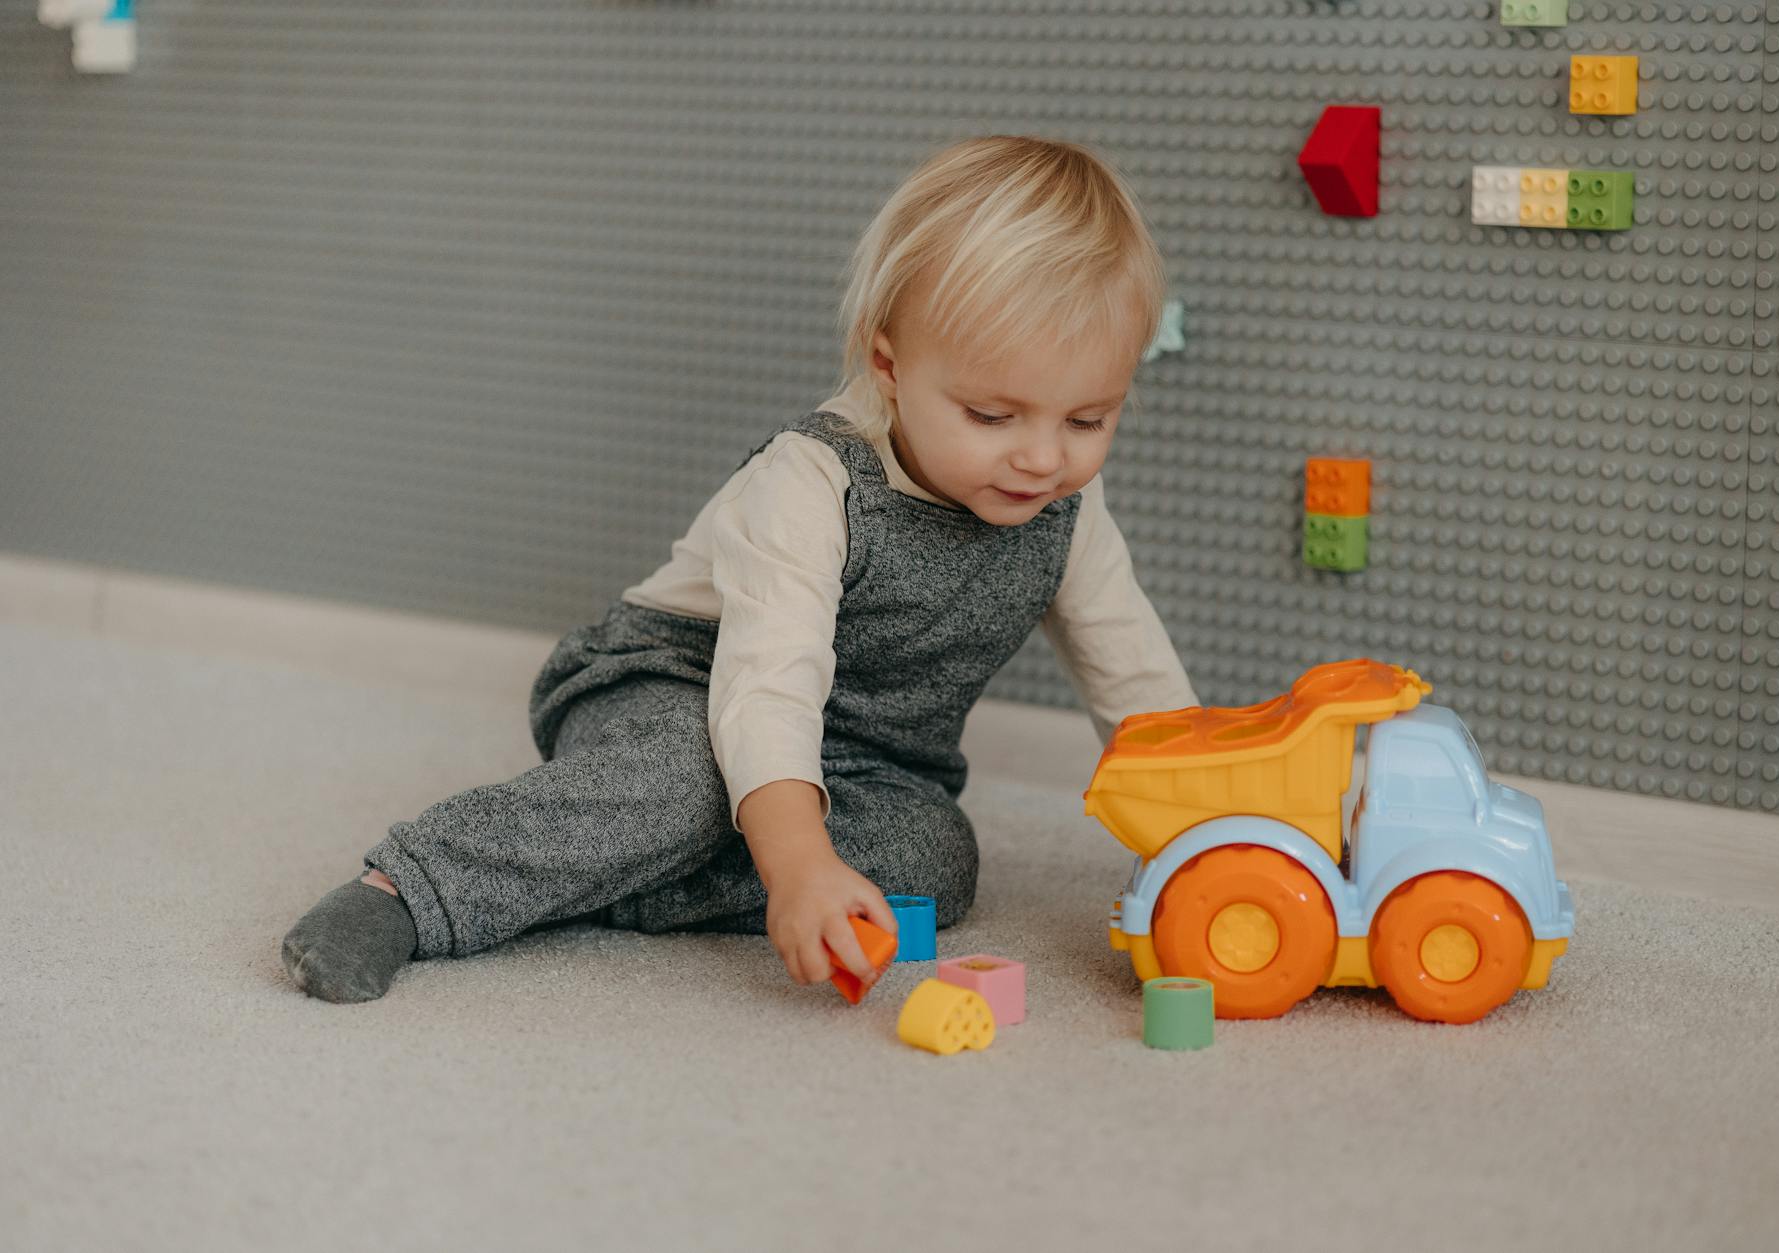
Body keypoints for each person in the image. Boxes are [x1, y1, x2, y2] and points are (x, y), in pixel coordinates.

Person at [281, 134, 1198, 1004]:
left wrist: (1205, 827)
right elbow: (766, 683)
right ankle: (413, 884)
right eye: (994, 416)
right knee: (689, 780)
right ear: (890, 368)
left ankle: (598, 878)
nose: (1044, 458)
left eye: (1087, 420)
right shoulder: (814, 481)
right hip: (672, 685)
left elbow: (1135, 673)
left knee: (932, 859)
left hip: (857, 755)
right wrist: (797, 861)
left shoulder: (1066, 511)